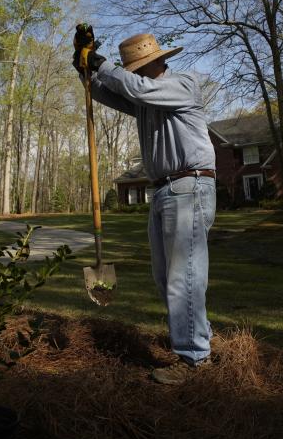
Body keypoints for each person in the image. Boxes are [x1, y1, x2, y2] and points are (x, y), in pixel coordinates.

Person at [73, 28, 216, 386]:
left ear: (154, 61)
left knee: (183, 276)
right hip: (164, 191)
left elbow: (134, 88)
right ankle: (198, 338)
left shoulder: (180, 85)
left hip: (189, 185)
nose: (133, 74)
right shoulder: (146, 98)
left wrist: (102, 63)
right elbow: (107, 93)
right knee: (166, 277)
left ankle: (194, 357)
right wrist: (83, 67)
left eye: (135, 68)